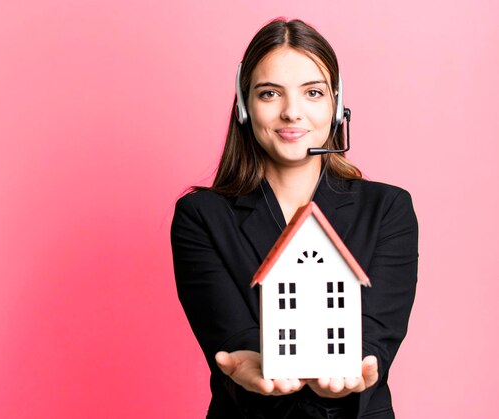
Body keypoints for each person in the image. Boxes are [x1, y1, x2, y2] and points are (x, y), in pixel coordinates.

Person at [170, 18, 418, 419]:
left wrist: (347, 375)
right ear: (244, 107)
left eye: (313, 93)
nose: (292, 112)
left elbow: (376, 336)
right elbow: (231, 333)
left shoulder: (388, 209)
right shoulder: (201, 217)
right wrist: (257, 365)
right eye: (270, 93)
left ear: (336, 107)